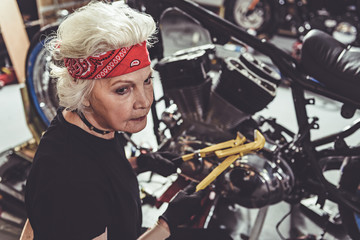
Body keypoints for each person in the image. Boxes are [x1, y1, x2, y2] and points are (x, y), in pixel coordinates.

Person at [24, 1, 205, 239]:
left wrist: (140, 164)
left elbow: (98, 172)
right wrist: (166, 225)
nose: (144, 101)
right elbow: (86, 185)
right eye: (122, 90)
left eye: (147, 81)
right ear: (84, 94)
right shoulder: (70, 183)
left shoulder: (84, 125)